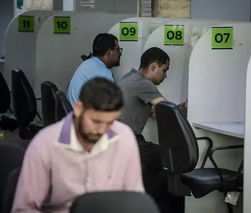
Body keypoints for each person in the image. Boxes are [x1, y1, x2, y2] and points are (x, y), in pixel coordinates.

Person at [12, 78, 144, 213]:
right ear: (79, 108)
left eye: (110, 122)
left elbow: (134, 201)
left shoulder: (124, 138)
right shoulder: (45, 144)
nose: (102, 130)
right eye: (96, 121)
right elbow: (24, 209)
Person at [118, 47, 186, 213]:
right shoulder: (143, 83)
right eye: (165, 70)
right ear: (154, 66)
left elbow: (156, 110)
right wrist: (185, 109)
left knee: (153, 165)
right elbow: (168, 111)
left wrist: (175, 109)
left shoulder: (129, 78)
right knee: (174, 158)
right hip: (127, 141)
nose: (166, 75)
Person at [67, 33, 122, 107]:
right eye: (118, 50)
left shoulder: (88, 63)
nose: (120, 53)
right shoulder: (104, 74)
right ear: (109, 52)